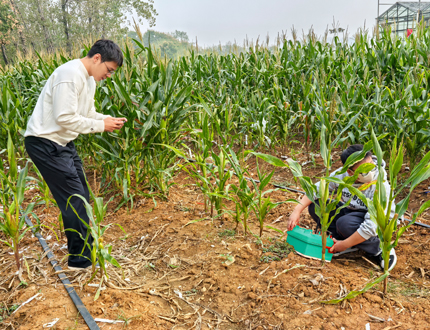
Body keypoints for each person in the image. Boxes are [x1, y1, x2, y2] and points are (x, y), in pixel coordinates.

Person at [24, 39, 127, 270]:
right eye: (109, 70)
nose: (109, 76)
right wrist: (101, 127)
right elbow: (64, 117)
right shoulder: (70, 74)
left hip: (63, 141)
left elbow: (87, 112)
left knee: (82, 195)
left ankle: (86, 249)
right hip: (45, 142)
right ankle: (79, 261)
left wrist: (106, 120)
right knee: (74, 200)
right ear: (97, 58)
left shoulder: (89, 79)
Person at [286, 144, 397, 271]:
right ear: (350, 172)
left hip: (376, 222)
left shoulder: (381, 185)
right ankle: (345, 239)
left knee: (345, 224)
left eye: (371, 165)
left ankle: (379, 248)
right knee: (316, 206)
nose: (371, 172)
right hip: (350, 211)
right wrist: (297, 210)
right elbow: (317, 189)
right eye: (364, 170)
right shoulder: (343, 175)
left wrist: (344, 245)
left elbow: (371, 225)